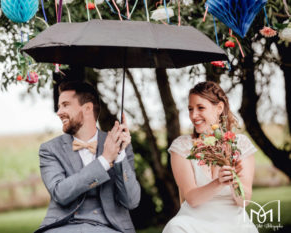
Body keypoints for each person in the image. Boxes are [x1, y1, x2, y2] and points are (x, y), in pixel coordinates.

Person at [35, 81, 141, 233]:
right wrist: (104, 160)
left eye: (65, 105)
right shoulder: (50, 150)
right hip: (62, 227)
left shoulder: (119, 144)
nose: (59, 112)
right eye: (59, 106)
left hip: (109, 228)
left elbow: (131, 201)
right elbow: (60, 193)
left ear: (87, 108)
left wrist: (119, 156)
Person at [163, 81, 258, 233]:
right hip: (193, 220)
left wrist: (235, 181)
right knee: (175, 227)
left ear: (219, 108)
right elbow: (192, 199)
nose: (194, 115)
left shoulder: (240, 145)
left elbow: (244, 201)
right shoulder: (182, 146)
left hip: (234, 221)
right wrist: (219, 182)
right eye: (190, 109)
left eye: (200, 108)